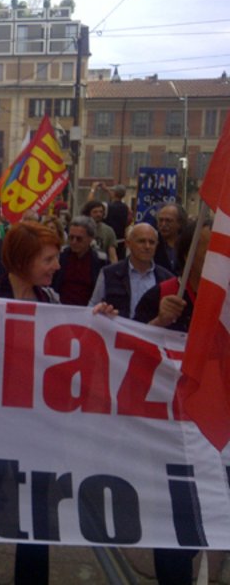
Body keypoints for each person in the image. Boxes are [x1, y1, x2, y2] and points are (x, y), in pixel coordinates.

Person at [0, 222, 115, 585]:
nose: (57, 266)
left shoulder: (50, 300)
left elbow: (65, 347)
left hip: (39, 427)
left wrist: (95, 325)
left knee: (36, 514)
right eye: (48, 259)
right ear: (23, 260)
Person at [134, 219, 209, 584]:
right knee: (175, 527)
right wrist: (158, 322)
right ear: (189, 253)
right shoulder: (163, 295)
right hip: (169, 432)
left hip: (215, 431)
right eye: (211, 251)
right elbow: (128, 354)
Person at [88, 222, 173, 319]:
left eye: (152, 242)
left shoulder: (166, 279)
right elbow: (92, 307)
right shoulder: (108, 273)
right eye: (141, 241)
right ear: (128, 243)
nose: (147, 246)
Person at [51, 216, 108, 306]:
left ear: (90, 239)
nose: (74, 242)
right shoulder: (59, 256)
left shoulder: (100, 261)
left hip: (87, 310)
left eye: (79, 239)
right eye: (71, 238)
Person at [153, 203, 187, 275]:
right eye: (160, 220)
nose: (163, 224)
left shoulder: (188, 244)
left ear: (180, 223)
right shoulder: (152, 243)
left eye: (168, 221)